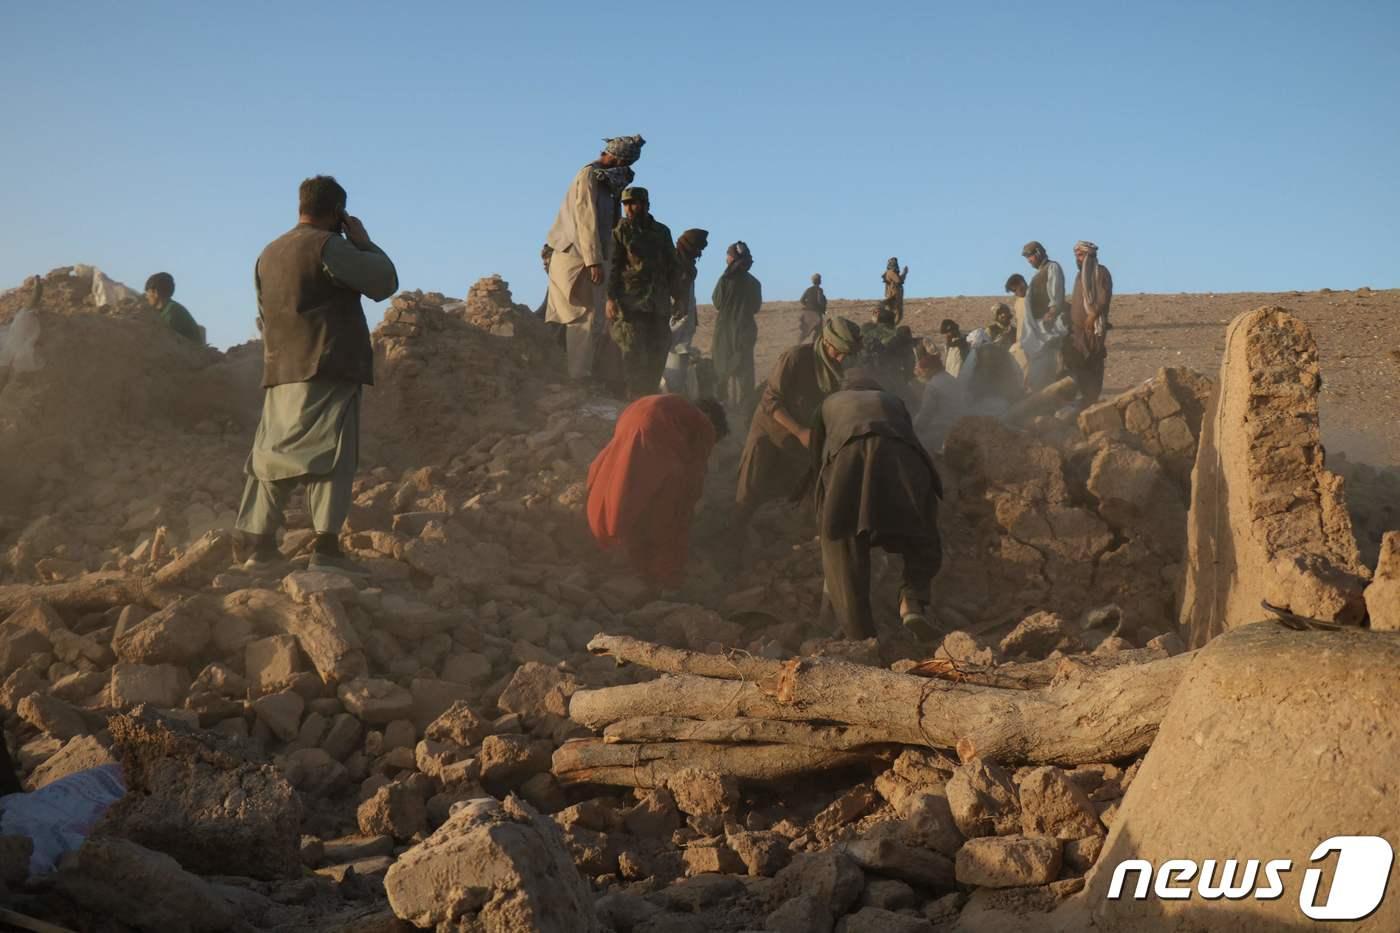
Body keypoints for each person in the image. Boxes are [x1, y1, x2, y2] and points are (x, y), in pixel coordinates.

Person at [233, 175, 398, 576]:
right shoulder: (329, 246)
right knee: (332, 454)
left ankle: (258, 544)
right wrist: (363, 242)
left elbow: (263, 314)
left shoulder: (267, 254)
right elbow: (383, 282)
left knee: (272, 454)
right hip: (328, 365)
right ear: (338, 212)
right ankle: (325, 547)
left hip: (281, 370)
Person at [809, 373, 943, 643]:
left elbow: (817, 457)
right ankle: (911, 600)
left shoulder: (829, 402)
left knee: (841, 542)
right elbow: (909, 437)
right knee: (920, 533)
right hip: (904, 459)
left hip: (849, 459)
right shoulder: (892, 400)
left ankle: (861, 635)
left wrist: (826, 510)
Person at [587, 394, 728, 586]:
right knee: (670, 503)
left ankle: (612, 534)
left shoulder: (676, 408)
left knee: (624, 482)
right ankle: (662, 573)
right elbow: (694, 479)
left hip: (631, 416)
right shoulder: (705, 426)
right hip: (653, 428)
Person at [735, 317, 861, 526]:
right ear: (826, 342)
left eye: (845, 355)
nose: (840, 359)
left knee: (795, 489)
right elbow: (770, 400)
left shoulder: (842, 370)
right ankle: (734, 541)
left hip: (804, 439)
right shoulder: (796, 358)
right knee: (750, 488)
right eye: (837, 352)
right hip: (770, 430)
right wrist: (800, 431)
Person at [545, 134, 645, 383]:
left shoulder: (605, 180)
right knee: (582, 317)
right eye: (624, 163)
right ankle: (578, 377)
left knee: (590, 318)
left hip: (590, 256)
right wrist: (593, 261)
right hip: (576, 257)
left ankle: (576, 374)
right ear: (615, 157)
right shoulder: (589, 176)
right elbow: (586, 219)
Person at [606, 187, 677, 399]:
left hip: (658, 303)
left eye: (633, 203)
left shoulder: (662, 232)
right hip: (631, 303)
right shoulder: (620, 232)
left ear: (646, 205)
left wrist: (679, 296)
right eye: (626, 204)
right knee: (633, 353)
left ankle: (649, 397)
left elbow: (672, 265)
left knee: (658, 353)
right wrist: (610, 299)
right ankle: (634, 401)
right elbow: (613, 267)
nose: (629, 208)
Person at [711, 241, 763, 408]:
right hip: (746, 329)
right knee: (745, 369)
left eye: (728, 255)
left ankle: (722, 404)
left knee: (721, 367)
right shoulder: (755, 283)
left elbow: (717, 302)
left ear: (732, 258)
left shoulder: (725, 280)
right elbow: (756, 307)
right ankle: (746, 408)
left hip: (725, 330)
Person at [1064, 240, 1113, 405]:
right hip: (1078, 331)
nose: (1077, 259)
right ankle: (1083, 399)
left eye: (1080, 255)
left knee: (1093, 360)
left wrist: (1092, 316)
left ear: (1089, 255)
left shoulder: (1100, 272)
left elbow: (1103, 297)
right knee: (1078, 363)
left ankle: (1091, 399)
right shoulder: (1080, 276)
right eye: (1076, 255)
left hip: (1092, 329)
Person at [663, 228, 709, 395]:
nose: (699, 254)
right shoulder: (673, 264)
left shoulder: (688, 266)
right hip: (674, 327)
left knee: (679, 377)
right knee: (670, 377)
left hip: (683, 329)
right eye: (698, 249)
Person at [1008, 271, 1066, 392]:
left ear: (1022, 283)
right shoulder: (1018, 302)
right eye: (1014, 292)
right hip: (1023, 344)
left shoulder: (1038, 297)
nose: (1016, 293)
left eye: (1016, 289)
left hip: (1040, 344)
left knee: (1041, 378)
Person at [912, 347, 964, 452]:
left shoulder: (933, 386)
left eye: (920, 371)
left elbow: (926, 414)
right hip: (959, 426)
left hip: (941, 431)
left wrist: (913, 427)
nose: (920, 374)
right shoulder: (951, 379)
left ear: (929, 370)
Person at [143, 272, 204, 344]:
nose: (146, 297)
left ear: (155, 292)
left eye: (147, 293)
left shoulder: (172, 312)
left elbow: (162, 341)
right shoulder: (169, 309)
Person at [1021, 241, 1067, 328]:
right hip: (1038, 322)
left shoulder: (1052, 267)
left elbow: (1056, 293)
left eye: (1030, 256)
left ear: (1038, 253)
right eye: (1027, 258)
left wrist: (1052, 312)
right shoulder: (1037, 274)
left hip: (1051, 321)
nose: (1029, 261)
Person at [798, 273, 827, 343]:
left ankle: (797, 344)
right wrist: (822, 308)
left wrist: (808, 305)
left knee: (805, 332)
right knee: (819, 331)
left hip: (806, 313)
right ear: (819, 281)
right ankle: (814, 346)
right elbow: (820, 300)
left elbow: (801, 300)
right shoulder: (819, 290)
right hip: (816, 313)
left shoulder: (808, 289)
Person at [882, 257, 910, 323]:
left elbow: (899, 280)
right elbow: (899, 280)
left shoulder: (891, 273)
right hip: (893, 298)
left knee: (897, 315)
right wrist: (904, 273)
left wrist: (904, 273)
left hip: (895, 298)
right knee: (895, 315)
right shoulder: (891, 272)